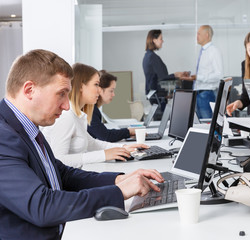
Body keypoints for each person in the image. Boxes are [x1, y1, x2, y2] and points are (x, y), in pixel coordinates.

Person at [0, 49, 163, 239]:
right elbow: (42, 206)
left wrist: (119, 180)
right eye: (61, 94)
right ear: (29, 90)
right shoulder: (4, 136)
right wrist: (118, 192)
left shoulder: (27, 127)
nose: (66, 105)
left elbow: (62, 174)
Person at [41, 63, 148, 168]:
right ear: (81, 86)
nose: (99, 90)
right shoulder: (66, 116)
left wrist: (124, 147)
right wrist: (104, 155)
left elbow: (91, 143)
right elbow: (59, 160)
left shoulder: (78, 115)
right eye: (96, 84)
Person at [181, 25, 224, 119]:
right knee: (199, 125)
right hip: (198, 93)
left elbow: (219, 75)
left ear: (207, 35)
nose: (197, 36)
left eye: (199, 34)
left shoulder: (214, 51)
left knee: (208, 124)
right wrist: (191, 75)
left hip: (207, 94)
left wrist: (198, 77)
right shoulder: (202, 51)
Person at [143, 29, 189, 112]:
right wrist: (176, 75)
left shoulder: (147, 56)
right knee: (186, 84)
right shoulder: (152, 57)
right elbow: (163, 78)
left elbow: (157, 78)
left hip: (155, 94)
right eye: (161, 39)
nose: (162, 41)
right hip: (158, 96)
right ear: (154, 40)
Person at [87, 70, 135, 142]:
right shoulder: (90, 109)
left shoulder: (93, 108)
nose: (113, 94)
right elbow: (105, 136)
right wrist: (128, 131)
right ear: (100, 90)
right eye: (111, 91)